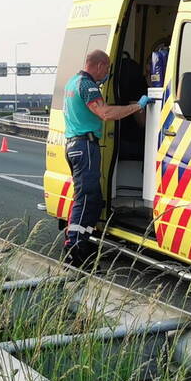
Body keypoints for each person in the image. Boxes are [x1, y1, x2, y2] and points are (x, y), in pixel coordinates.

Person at [63, 49, 150, 264]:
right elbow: (106, 113)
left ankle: (82, 244)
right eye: (108, 68)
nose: (108, 72)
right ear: (100, 65)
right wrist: (136, 107)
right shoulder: (88, 85)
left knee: (91, 198)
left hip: (74, 145)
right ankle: (74, 248)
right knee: (86, 199)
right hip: (85, 146)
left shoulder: (72, 82)